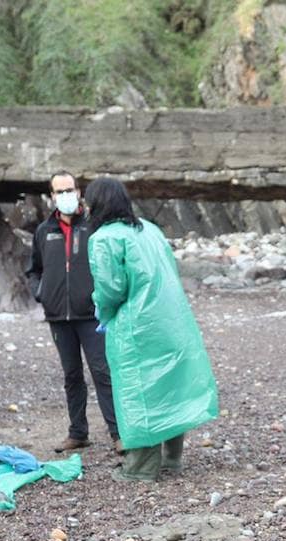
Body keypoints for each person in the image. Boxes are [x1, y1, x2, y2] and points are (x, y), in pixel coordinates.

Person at [85, 177, 219, 482]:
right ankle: (172, 459)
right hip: (171, 321)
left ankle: (141, 467)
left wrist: (102, 311)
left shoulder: (105, 238)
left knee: (138, 391)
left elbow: (111, 289)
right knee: (170, 387)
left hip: (137, 326)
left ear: (97, 203)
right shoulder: (148, 229)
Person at [25, 173, 120, 454]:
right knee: (72, 376)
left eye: (70, 189)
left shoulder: (94, 226)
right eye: (59, 191)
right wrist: (40, 292)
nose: (65, 195)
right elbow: (34, 269)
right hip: (58, 317)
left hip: (91, 315)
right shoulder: (44, 231)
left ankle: (118, 433)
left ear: (78, 191)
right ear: (52, 196)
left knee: (103, 372)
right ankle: (78, 432)